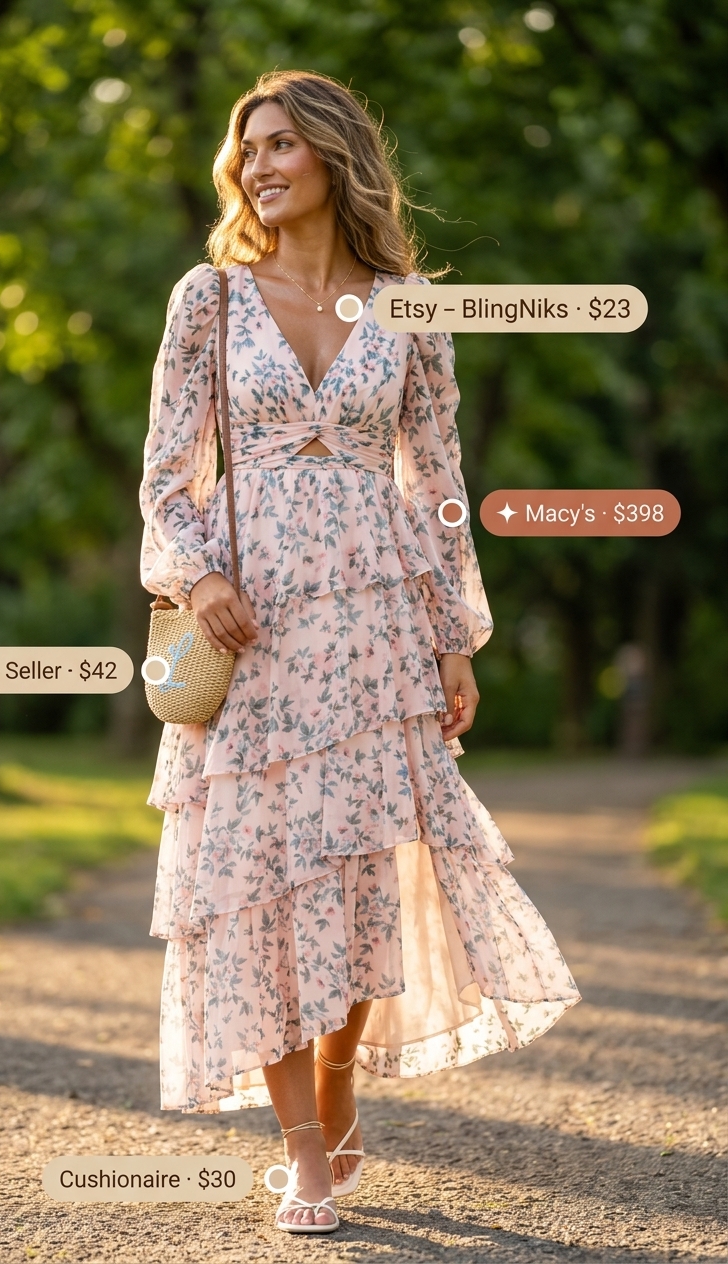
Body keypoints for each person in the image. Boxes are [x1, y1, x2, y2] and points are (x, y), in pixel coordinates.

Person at [139, 69, 580, 1235]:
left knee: (355, 873)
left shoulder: (406, 307)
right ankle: (304, 1157)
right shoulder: (209, 300)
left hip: (375, 629)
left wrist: (452, 639)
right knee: (260, 882)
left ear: (333, 155)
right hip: (254, 626)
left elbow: (436, 487)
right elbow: (163, 474)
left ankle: (335, 1090)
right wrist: (203, 576)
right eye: (248, 150)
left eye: (281, 142)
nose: (259, 165)